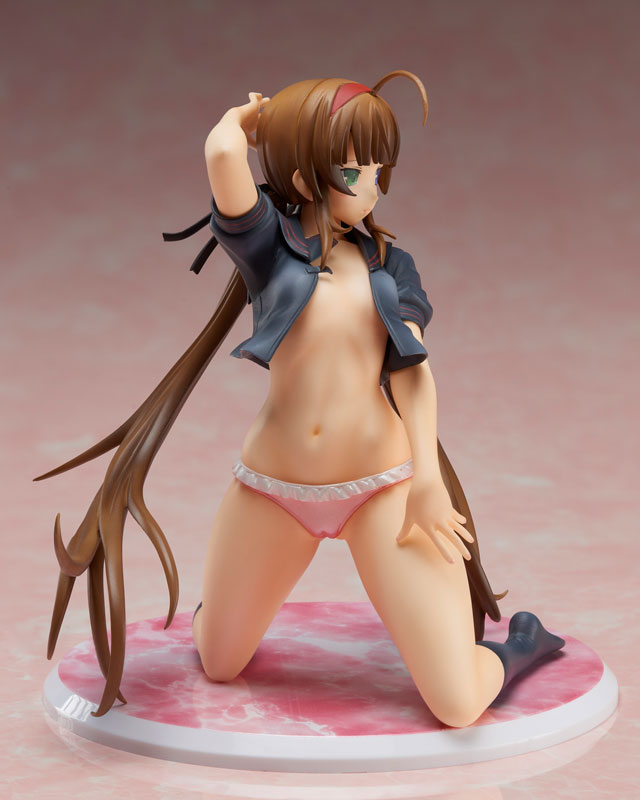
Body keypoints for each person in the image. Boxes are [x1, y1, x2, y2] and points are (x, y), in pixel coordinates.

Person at [36, 72, 564, 725]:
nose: (372, 184)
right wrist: (248, 121)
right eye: (353, 170)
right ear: (305, 176)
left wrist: (428, 480)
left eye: (378, 169)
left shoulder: (389, 266)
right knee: (219, 661)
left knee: (457, 702)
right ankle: (225, 603)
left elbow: (413, 373)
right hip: (272, 490)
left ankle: (519, 646)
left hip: (383, 492)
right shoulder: (269, 251)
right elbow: (223, 155)